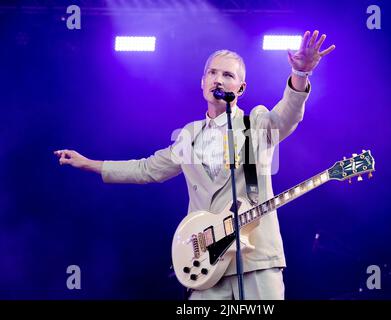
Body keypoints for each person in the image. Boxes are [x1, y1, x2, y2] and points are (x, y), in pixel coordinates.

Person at [54, 30, 335, 300]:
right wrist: (91, 164)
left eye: (228, 75)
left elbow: (287, 116)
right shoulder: (188, 135)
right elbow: (147, 169)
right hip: (204, 261)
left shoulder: (256, 123)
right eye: (212, 73)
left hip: (254, 260)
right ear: (202, 82)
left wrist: (300, 74)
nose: (218, 80)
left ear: (241, 87)